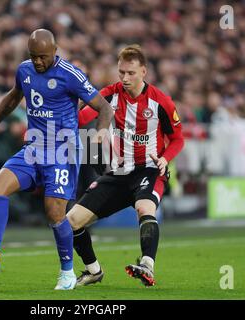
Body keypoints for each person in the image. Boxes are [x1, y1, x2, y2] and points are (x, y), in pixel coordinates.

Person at [0, 29, 114, 290]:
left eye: (43, 57)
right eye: (33, 56)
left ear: (54, 52)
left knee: (54, 214)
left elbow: (104, 107)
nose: (38, 61)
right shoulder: (24, 71)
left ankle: (67, 272)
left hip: (62, 151)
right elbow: (13, 98)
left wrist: (98, 139)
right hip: (32, 149)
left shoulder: (70, 74)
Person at [66, 45, 185, 287]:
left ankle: (147, 266)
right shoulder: (109, 95)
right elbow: (81, 118)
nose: (125, 78)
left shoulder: (161, 102)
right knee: (71, 221)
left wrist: (165, 158)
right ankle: (93, 271)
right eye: (121, 72)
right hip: (117, 173)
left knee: (144, 207)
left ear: (143, 71)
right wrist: (64, 104)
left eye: (131, 73)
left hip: (149, 169)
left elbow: (177, 138)